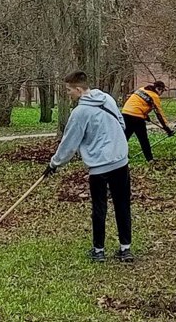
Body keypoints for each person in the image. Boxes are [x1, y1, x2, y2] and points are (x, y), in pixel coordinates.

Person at [45, 71, 132, 263]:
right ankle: (126, 249)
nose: (68, 94)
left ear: (78, 89)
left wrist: (54, 164)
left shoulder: (80, 113)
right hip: (120, 161)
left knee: (99, 207)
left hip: (99, 167)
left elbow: (69, 144)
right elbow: (121, 123)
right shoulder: (107, 99)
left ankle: (99, 251)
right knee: (122, 204)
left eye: (69, 90)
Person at [120, 81, 174, 162]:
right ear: (158, 89)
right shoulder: (154, 96)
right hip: (136, 117)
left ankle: (123, 157)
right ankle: (150, 159)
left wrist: (145, 115)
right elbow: (159, 114)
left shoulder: (141, 89)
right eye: (162, 91)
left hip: (125, 113)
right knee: (143, 139)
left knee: (124, 138)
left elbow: (138, 103)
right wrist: (166, 128)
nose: (161, 93)